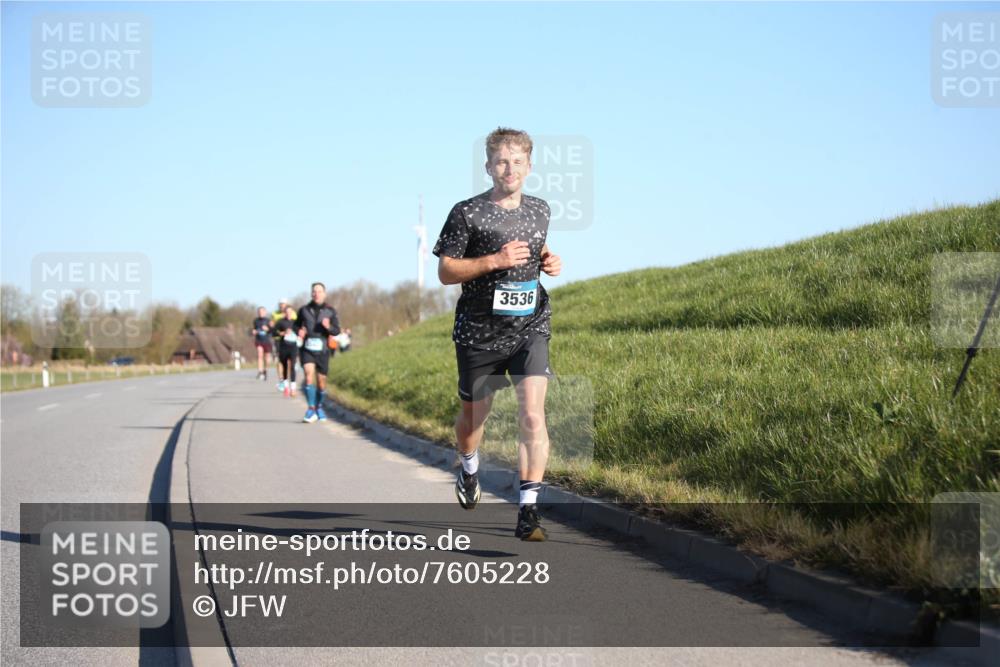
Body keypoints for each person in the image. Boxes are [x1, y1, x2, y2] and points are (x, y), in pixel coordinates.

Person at [432, 127, 562, 541]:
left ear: (529, 166)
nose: (510, 169)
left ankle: (528, 511)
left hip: (529, 325)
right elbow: (446, 271)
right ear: (488, 166)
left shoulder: (540, 209)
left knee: (533, 414)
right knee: (474, 417)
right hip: (479, 332)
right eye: (502, 162)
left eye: (517, 161)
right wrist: (494, 260)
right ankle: (469, 466)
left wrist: (549, 260)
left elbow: (536, 248)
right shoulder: (466, 213)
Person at [295, 282, 340, 423]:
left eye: (319, 291)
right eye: (314, 291)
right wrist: (299, 331)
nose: (316, 294)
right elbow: (296, 325)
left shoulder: (330, 311)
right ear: (311, 294)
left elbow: (337, 330)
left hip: (323, 349)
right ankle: (311, 408)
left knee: (321, 382)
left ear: (324, 294)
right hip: (307, 348)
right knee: (308, 376)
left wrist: (329, 327)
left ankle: (319, 406)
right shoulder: (303, 310)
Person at [273, 305, 300, 397]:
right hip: (283, 346)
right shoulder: (280, 322)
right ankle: (286, 386)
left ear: (292, 313)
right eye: (287, 312)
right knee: (284, 366)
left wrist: (299, 334)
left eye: (290, 312)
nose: (289, 314)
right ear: (284, 313)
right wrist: (282, 333)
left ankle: (293, 388)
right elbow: (274, 332)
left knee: (292, 366)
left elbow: (300, 332)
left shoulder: (295, 322)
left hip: (293, 347)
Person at [271, 298, 290, 390]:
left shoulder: (292, 313)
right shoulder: (275, 314)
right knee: (280, 360)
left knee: (289, 361)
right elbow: (272, 327)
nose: (282, 306)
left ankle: (287, 379)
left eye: (283, 304)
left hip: (290, 340)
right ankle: (281, 380)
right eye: (280, 304)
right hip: (278, 340)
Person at [251, 307, 273, 381]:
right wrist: (254, 331)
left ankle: (265, 370)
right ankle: (260, 371)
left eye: (262, 312)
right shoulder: (256, 321)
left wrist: (268, 329)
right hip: (259, 340)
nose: (260, 313)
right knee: (259, 354)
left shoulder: (268, 320)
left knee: (267, 357)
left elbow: (272, 330)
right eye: (259, 312)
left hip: (267, 340)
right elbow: (254, 329)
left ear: (265, 312)